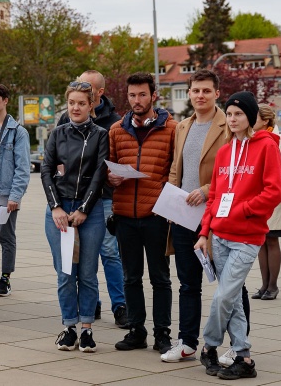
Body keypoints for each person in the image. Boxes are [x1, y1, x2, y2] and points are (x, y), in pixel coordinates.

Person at [195, 91, 281, 380]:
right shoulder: (224, 152)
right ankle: (243, 357)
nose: (232, 120)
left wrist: (244, 210)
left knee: (223, 297)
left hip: (248, 236)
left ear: (250, 117)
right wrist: (204, 232)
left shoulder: (266, 147)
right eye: (229, 114)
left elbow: (275, 191)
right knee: (231, 298)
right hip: (219, 237)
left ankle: (208, 345)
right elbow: (215, 197)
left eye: (238, 114)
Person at [161, 69, 227, 362]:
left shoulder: (228, 125)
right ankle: (187, 341)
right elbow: (176, 168)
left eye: (206, 91)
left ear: (217, 93)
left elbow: (232, 174)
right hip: (184, 217)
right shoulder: (182, 127)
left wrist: (206, 188)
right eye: (195, 90)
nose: (200, 96)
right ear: (188, 93)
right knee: (188, 283)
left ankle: (237, 345)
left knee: (228, 284)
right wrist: (172, 204)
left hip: (215, 217)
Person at [109, 72, 176, 354]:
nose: (137, 100)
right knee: (130, 278)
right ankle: (137, 331)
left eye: (142, 95)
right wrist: (110, 178)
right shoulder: (116, 130)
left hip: (156, 217)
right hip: (124, 216)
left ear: (153, 96)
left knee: (160, 279)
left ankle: (162, 334)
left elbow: (175, 170)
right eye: (132, 95)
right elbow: (108, 166)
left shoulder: (171, 129)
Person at [42, 81, 109, 353]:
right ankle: (69, 326)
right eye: (72, 103)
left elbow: (100, 173)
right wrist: (57, 207)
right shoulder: (57, 133)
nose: (76, 107)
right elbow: (46, 169)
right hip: (58, 210)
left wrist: (83, 209)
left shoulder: (100, 135)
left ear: (91, 104)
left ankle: (87, 329)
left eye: (82, 103)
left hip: (89, 212)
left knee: (88, 273)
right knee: (65, 272)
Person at [57, 70, 126, 326]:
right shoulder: (66, 118)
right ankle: (91, 305)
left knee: (109, 252)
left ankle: (120, 305)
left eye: (88, 88)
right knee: (81, 257)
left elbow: (113, 160)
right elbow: (57, 159)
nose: (82, 91)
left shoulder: (113, 122)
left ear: (99, 93)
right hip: (72, 200)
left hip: (103, 198)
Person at [0, 83, 31, 298]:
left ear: (5, 101)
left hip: (6, 195)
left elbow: (23, 167)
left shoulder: (17, 132)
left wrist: (15, 196)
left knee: (6, 236)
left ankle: (5, 279)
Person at [251, 104, 281, 301]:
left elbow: (275, 169)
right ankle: (264, 284)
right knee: (261, 242)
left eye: (254, 117)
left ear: (265, 121)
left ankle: (273, 285)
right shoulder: (254, 139)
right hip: (258, 197)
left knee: (272, 240)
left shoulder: (277, 140)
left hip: (275, 199)